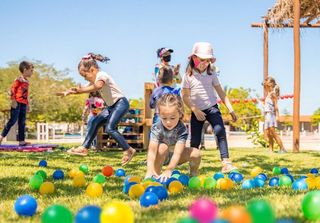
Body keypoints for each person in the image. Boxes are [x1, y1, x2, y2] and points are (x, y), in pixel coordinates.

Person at [57, 53, 136, 166]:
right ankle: (84, 148)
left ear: (93, 70)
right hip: (111, 106)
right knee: (95, 121)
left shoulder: (101, 75)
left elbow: (98, 86)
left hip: (121, 103)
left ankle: (128, 150)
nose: (85, 78)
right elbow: (85, 88)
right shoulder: (95, 77)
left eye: (85, 76)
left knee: (110, 128)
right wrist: (70, 92)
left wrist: (81, 90)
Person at [181, 42, 237, 173]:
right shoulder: (187, 76)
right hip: (197, 111)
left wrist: (231, 109)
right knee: (195, 141)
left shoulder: (212, 74)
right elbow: (185, 96)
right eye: (202, 60)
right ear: (193, 58)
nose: (205, 63)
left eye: (208, 61)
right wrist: (195, 109)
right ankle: (193, 168)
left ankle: (226, 162)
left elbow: (221, 93)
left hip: (212, 108)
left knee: (220, 130)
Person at [145, 93, 201, 182]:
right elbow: (152, 150)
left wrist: (169, 170)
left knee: (196, 153)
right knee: (163, 147)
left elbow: (177, 153)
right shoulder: (157, 128)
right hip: (161, 155)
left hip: (177, 156)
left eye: (172, 118)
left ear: (180, 114)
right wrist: (150, 169)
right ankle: (155, 174)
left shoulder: (182, 129)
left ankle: (193, 174)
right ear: (159, 115)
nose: (168, 122)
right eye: (164, 118)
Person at [0, 61, 34, 146]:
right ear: (25, 70)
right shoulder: (18, 79)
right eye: (31, 70)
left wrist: (27, 105)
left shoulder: (27, 81)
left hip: (23, 104)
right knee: (13, 120)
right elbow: (12, 90)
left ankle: (21, 141)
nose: (32, 72)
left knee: (22, 122)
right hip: (17, 103)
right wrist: (13, 100)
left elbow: (26, 94)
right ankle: (1, 136)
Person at [263, 76, 287, 153]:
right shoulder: (269, 94)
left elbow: (276, 106)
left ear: (270, 85)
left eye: (266, 85)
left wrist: (277, 116)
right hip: (267, 115)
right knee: (269, 134)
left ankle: (282, 149)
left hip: (271, 116)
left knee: (273, 133)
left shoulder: (272, 94)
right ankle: (271, 150)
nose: (264, 86)